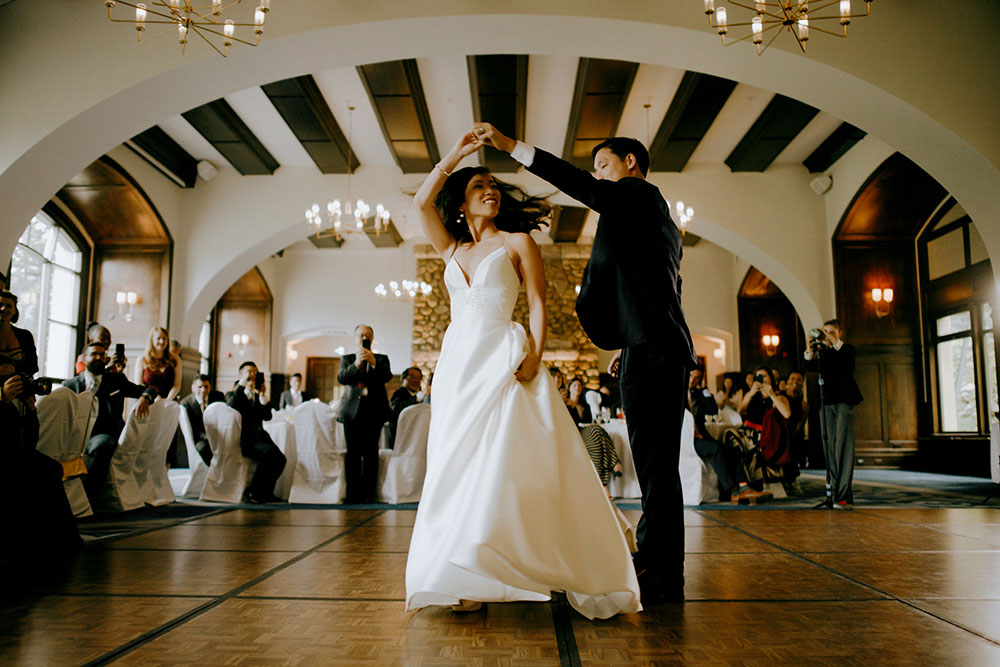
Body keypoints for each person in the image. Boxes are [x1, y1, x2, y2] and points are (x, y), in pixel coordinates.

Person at [405, 130, 639, 620]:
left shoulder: (518, 241)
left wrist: (534, 354)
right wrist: (457, 156)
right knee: (457, 467)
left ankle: (517, 562)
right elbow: (422, 200)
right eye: (478, 187)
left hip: (503, 359)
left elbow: (536, 301)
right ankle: (462, 571)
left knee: (502, 465)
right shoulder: (450, 250)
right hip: (457, 367)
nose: (490, 190)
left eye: (493, 185)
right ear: (461, 206)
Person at [477, 123, 696, 605]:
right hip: (653, 345)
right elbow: (660, 288)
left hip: (655, 350)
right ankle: (657, 565)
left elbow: (576, 183)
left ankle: (659, 575)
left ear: (630, 164)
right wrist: (627, 343)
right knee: (655, 465)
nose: (597, 175)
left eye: (603, 164)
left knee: (657, 467)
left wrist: (512, 147)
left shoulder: (637, 196)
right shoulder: (650, 218)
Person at [0, 355, 81, 555]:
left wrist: (31, 411)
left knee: (49, 466)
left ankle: (57, 538)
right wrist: (2, 397)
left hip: (11, 455)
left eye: (13, 378)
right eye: (3, 378)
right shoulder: (3, 399)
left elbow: (29, 442)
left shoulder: (10, 404)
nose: (9, 383)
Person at [63, 343, 154, 499]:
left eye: (102, 354)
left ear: (106, 358)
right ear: (83, 359)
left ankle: (88, 496)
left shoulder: (116, 380)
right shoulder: (70, 385)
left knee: (101, 445)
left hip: (104, 434)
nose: (98, 357)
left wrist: (145, 398)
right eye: (93, 354)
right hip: (75, 435)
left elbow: (149, 390)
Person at [804, 319, 863, 508]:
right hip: (827, 403)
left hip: (844, 402)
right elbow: (810, 366)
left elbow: (846, 365)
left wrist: (832, 339)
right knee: (829, 447)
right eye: (825, 331)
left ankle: (845, 495)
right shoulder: (825, 354)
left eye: (832, 331)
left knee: (842, 447)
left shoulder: (847, 350)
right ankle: (835, 494)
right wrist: (810, 348)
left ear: (840, 333)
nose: (827, 335)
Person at [337, 325, 392, 503]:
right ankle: (353, 494)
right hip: (352, 411)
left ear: (372, 338)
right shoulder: (347, 359)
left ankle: (368, 495)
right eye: (361, 335)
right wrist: (357, 364)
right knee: (352, 453)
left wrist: (373, 362)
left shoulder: (382, 359)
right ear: (355, 338)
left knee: (370, 453)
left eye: (368, 335)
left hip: (374, 410)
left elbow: (386, 377)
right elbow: (342, 378)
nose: (364, 337)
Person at [687, 367, 760, 502]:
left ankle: (743, 487)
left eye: (697, 377)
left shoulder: (698, 393)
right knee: (715, 450)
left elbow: (713, 410)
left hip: (701, 436)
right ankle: (732, 491)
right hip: (685, 440)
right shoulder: (674, 392)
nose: (692, 380)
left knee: (731, 449)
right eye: (691, 375)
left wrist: (704, 389)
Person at [225, 361, 286, 504]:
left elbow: (267, 416)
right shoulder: (234, 393)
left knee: (281, 459)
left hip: (260, 438)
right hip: (245, 440)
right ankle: (253, 492)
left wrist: (263, 395)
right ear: (241, 375)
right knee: (269, 454)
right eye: (249, 372)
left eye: (255, 372)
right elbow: (231, 406)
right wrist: (242, 384)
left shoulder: (256, 394)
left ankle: (266, 493)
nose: (252, 375)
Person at [179, 374, 222, 465]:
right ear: (193, 388)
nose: (203, 390)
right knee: (203, 448)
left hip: (219, 435)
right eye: (200, 387)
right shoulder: (186, 404)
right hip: (200, 438)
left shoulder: (218, 397)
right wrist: (209, 437)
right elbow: (193, 429)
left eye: (206, 387)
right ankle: (213, 471)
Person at [134, 326, 181, 401]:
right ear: (152, 340)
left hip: (169, 402)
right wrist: (152, 396)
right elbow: (139, 384)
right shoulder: (142, 359)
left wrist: (167, 400)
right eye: (158, 338)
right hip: (147, 401)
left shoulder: (175, 359)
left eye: (164, 338)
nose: (162, 341)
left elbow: (177, 384)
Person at [0, 291, 38, 377]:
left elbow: (33, 367)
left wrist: (13, 369)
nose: (3, 309)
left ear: (14, 311)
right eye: (0, 305)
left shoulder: (25, 336)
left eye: (8, 306)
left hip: (19, 385)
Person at [388, 366, 423, 449]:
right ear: (403, 379)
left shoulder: (417, 395)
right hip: (400, 441)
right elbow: (398, 410)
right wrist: (416, 398)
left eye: (419, 378)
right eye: (412, 377)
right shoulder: (399, 394)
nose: (416, 380)